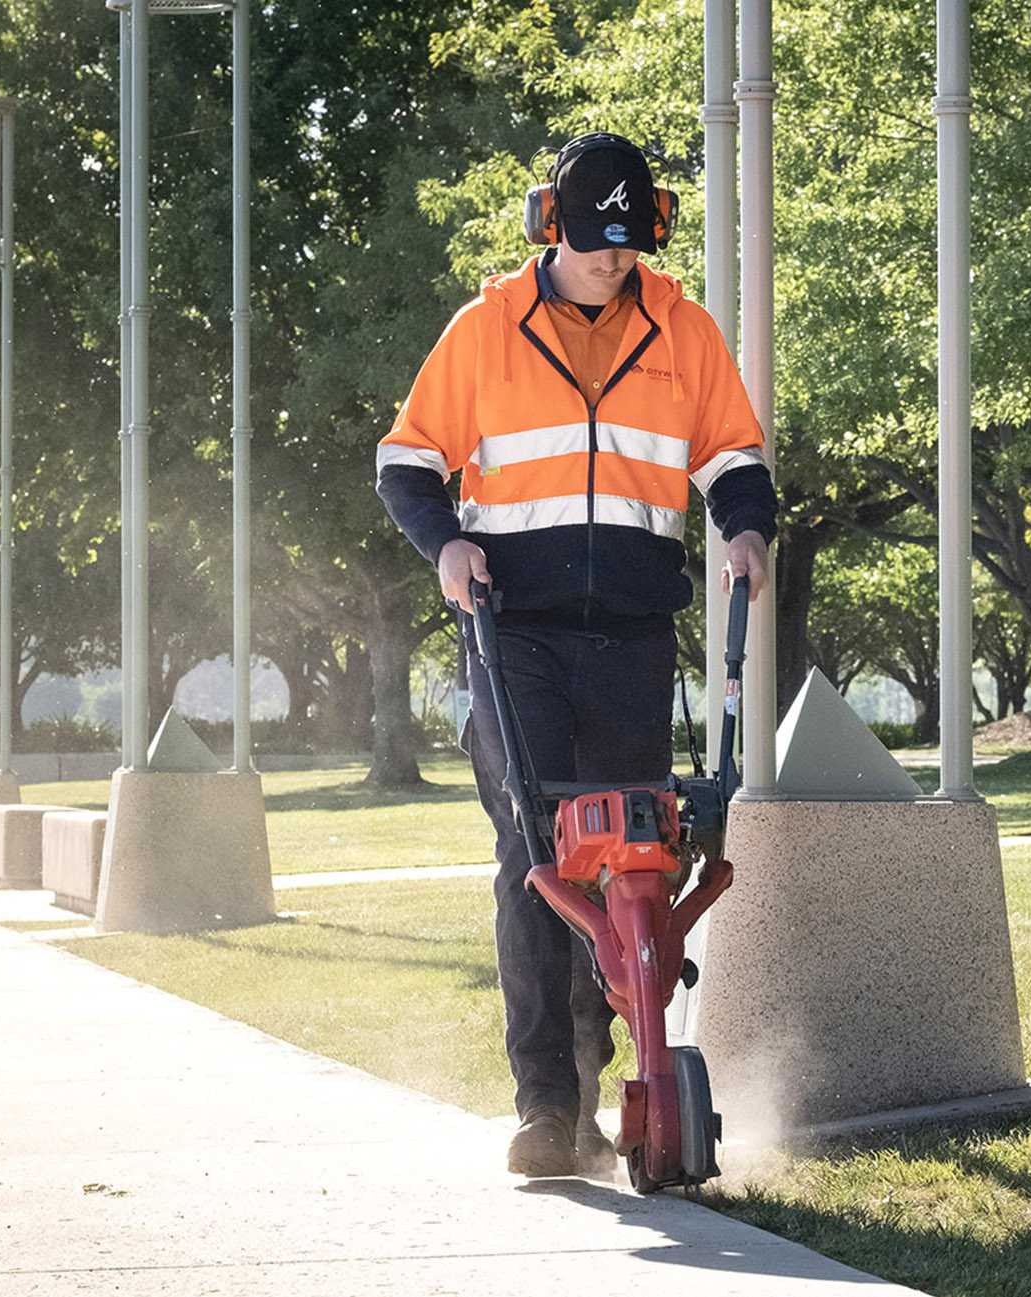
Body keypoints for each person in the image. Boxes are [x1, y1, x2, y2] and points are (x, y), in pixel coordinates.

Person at [376, 132, 777, 1179]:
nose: (614, 261)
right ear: (552, 224)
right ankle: (548, 1106)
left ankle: (620, 1088)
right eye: (597, 243)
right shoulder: (485, 331)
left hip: (634, 635)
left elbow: (733, 456)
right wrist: (447, 543)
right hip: (515, 632)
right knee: (539, 857)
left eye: (630, 244)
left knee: (630, 860)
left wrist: (745, 528)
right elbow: (407, 462)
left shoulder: (682, 330)